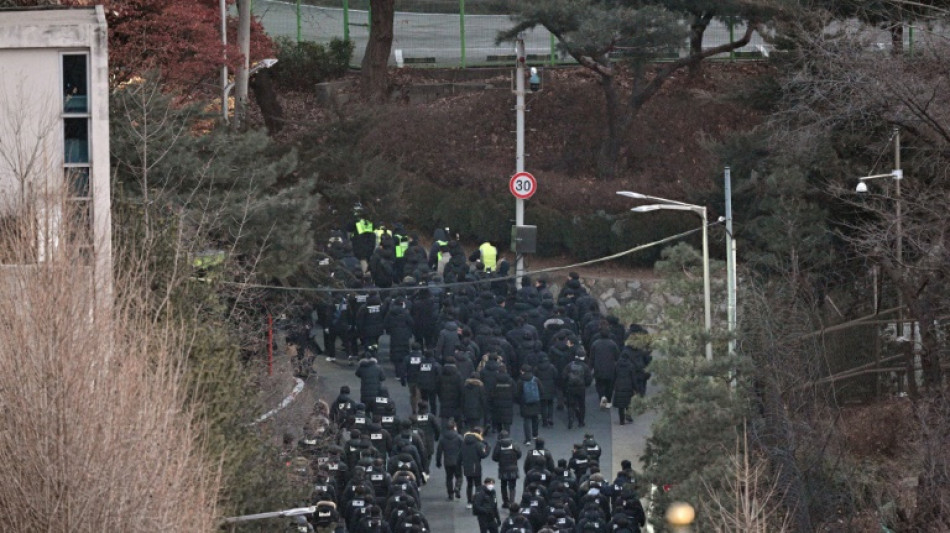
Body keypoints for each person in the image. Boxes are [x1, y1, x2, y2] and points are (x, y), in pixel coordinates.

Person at [461, 426, 491, 508]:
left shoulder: (464, 443)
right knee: (478, 485)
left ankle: (469, 502)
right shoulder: (478, 444)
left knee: (469, 484)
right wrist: (488, 448)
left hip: (466, 467)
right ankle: (478, 501)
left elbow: (460, 455)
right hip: (476, 467)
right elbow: (483, 455)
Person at [561, 352, 592, 429]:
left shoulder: (569, 365)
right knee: (582, 405)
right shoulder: (585, 366)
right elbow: (589, 379)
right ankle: (581, 422)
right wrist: (585, 385)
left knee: (570, 405)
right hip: (581, 388)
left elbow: (563, 376)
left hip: (571, 388)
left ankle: (570, 420)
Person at [589, 329, 619, 410]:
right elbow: (617, 356)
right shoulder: (613, 344)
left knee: (599, 384)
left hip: (598, 368)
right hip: (610, 368)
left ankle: (602, 396)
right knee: (610, 386)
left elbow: (591, 357)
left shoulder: (595, 344)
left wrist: (590, 368)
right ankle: (608, 401)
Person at [492, 430, 522, 506]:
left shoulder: (499, 445)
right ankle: (512, 502)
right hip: (513, 468)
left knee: (503, 485)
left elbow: (494, 457)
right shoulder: (514, 444)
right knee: (512, 486)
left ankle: (505, 502)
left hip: (503, 468)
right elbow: (519, 454)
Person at [435, 420, 463, 500]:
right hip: (457, 461)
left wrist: (438, 462)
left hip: (447, 462)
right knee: (459, 476)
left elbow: (439, 451)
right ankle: (457, 487)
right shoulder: (459, 437)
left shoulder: (443, 439)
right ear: (455, 427)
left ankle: (450, 494)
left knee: (449, 478)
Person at [516, 364, 543, 446]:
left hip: (525, 403)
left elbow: (518, 393)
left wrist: (520, 401)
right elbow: (541, 390)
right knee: (535, 419)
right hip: (535, 402)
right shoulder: (536, 379)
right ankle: (535, 435)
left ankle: (528, 439)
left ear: (522, 371)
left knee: (526, 421)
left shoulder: (520, 380)